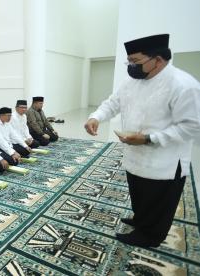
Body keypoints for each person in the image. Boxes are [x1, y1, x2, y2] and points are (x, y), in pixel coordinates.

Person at [84, 34, 200, 248]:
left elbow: (191, 126)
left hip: (164, 160)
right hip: (134, 153)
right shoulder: (131, 81)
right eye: (128, 62)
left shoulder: (184, 85)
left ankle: (150, 236)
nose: (131, 67)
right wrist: (95, 116)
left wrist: (149, 139)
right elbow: (112, 103)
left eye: (135, 62)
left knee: (158, 200)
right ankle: (140, 220)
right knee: (139, 192)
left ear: (158, 59)